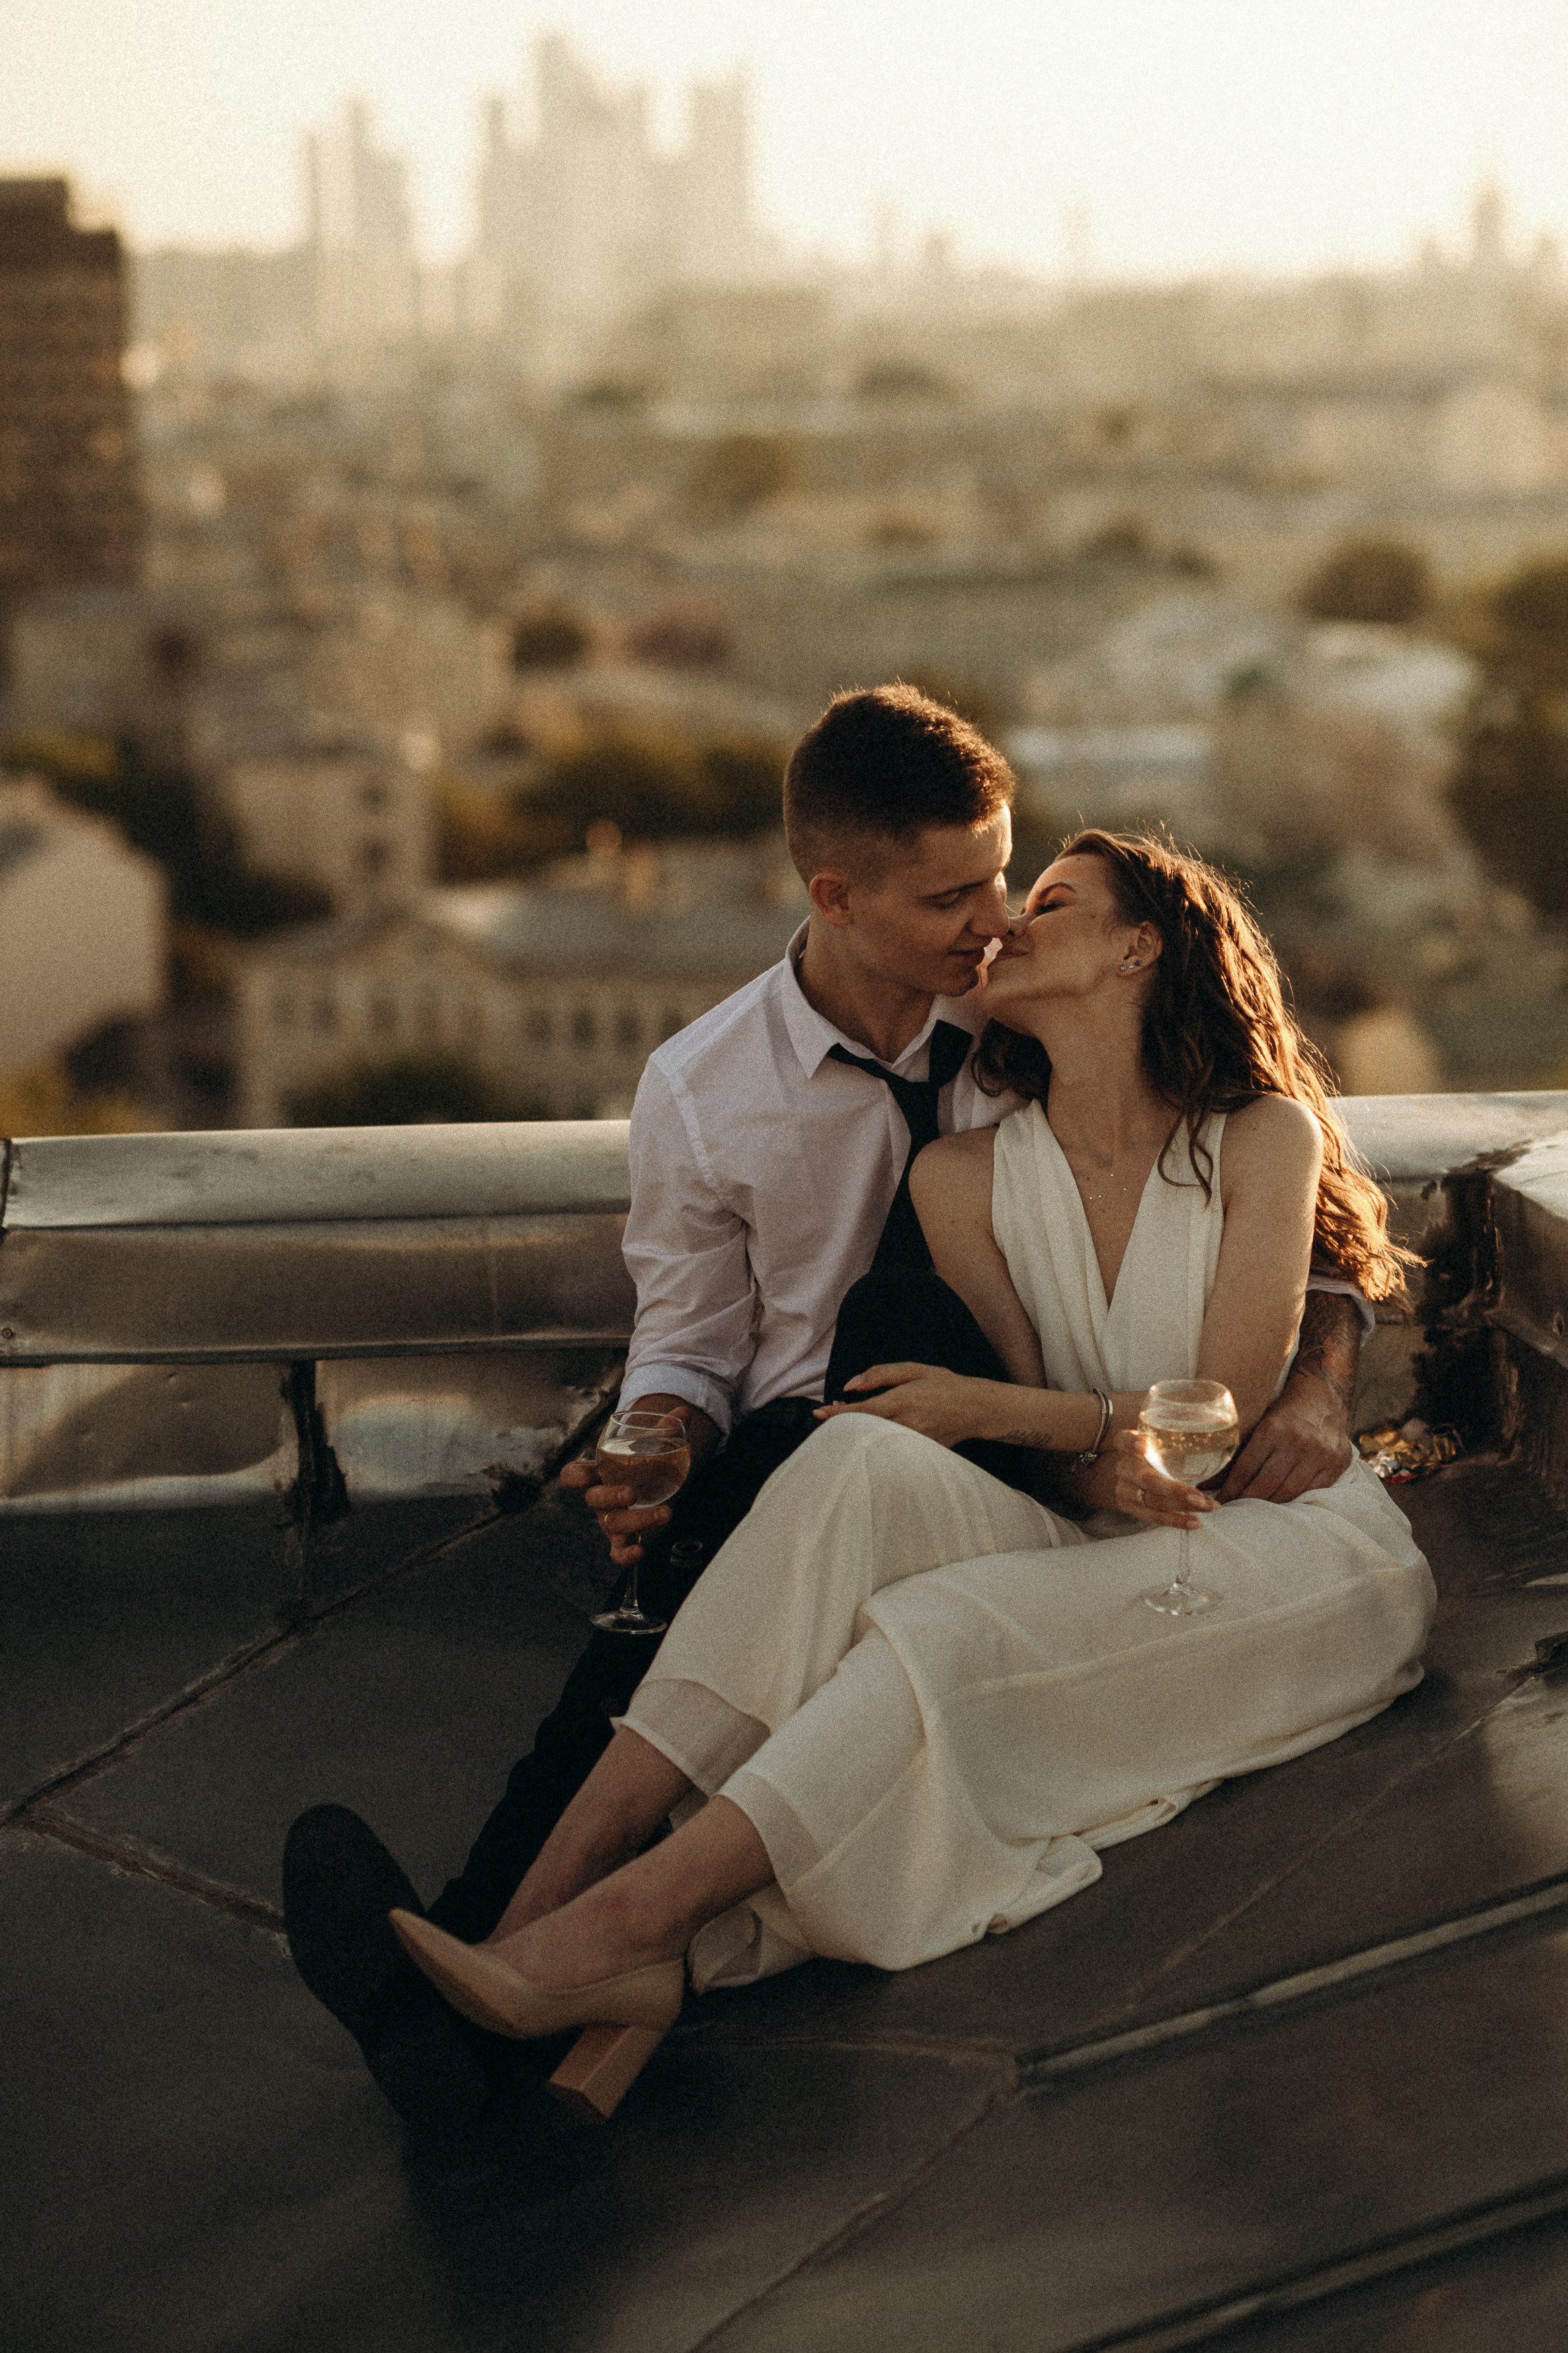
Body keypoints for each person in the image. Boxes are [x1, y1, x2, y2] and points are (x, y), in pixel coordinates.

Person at [282, 697, 1368, 2135]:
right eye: (954, 895)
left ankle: (503, 1957)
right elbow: (684, 1338)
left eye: (1007, 881)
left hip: (1027, 1436)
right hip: (818, 1432)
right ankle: (518, 1963)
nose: (992, 921)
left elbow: (1309, 1219)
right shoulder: (706, 1085)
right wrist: (656, 1435)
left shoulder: (1025, 1010)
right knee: (755, 1507)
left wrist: (1321, 1382)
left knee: (838, 1441)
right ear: (833, 896)